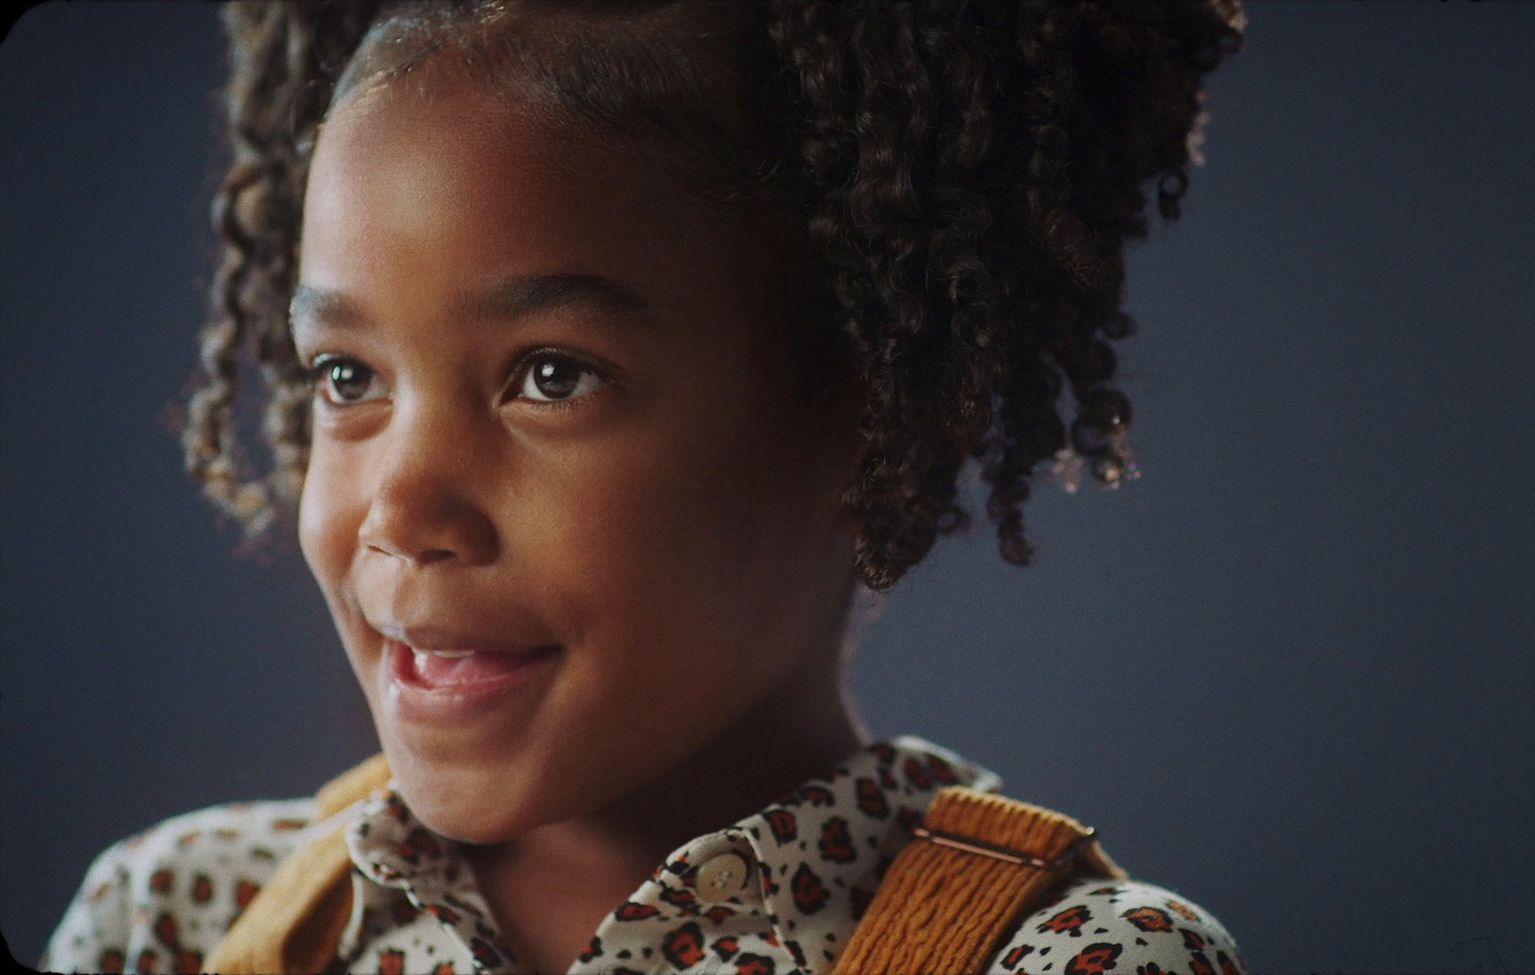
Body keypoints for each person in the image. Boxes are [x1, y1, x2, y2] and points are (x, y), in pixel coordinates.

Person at [41, 1, 1247, 972]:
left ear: (880, 409)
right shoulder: (175, 928)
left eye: (550, 377)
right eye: (347, 374)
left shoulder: (1072, 962)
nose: (400, 512)